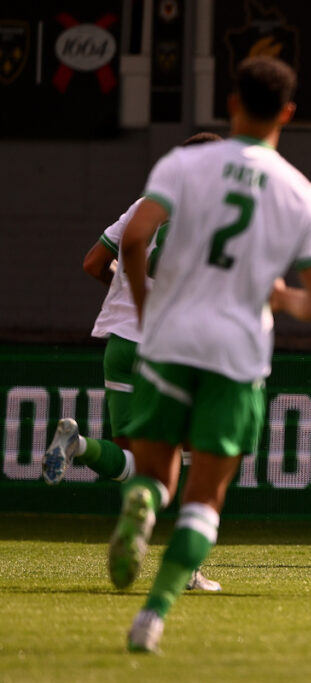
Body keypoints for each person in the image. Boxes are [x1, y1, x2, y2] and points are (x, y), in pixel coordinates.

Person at [111, 56, 311, 653]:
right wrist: (284, 299)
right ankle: (152, 616)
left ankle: (141, 500)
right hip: (237, 354)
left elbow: (134, 239)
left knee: (157, 474)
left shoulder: (183, 164)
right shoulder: (301, 193)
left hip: (170, 340)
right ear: (288, 113)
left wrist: (144, 309)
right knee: (205, 497)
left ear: (232, 102)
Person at [42, 131, 224, 593]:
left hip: (120, 344)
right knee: (188, 458)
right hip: (166, 349)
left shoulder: (145, 205)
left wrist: (127, 296)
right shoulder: (211, 216)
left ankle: (79, 446)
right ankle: (188, 568)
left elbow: (92, 262)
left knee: (135, 464)